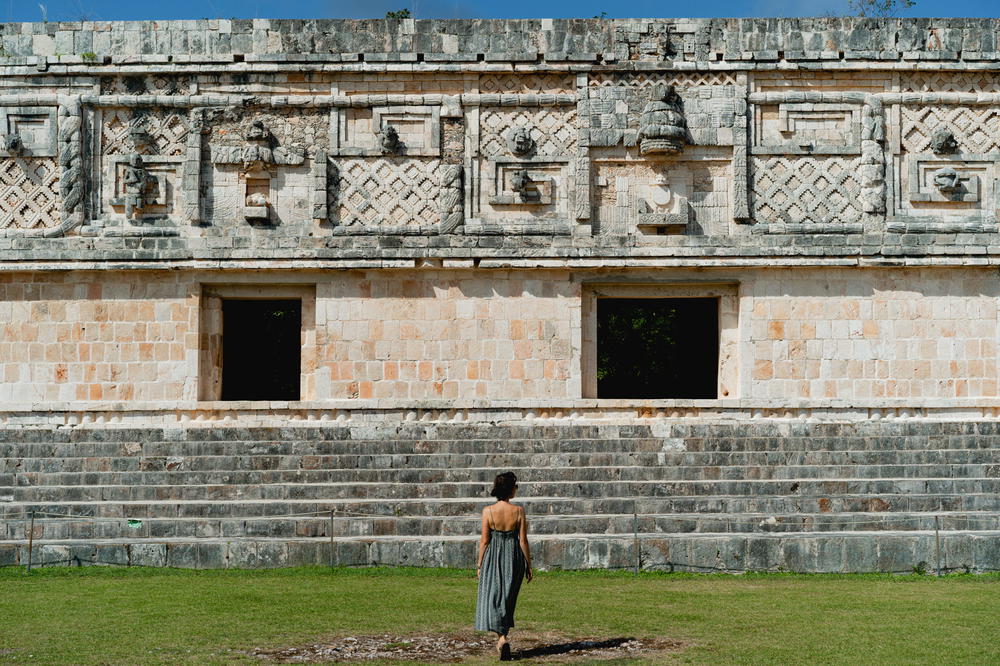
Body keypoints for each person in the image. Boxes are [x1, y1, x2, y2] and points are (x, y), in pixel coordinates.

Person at [475, 471, 532, 661]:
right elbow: (523, 540)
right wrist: (529, 564)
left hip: (494, 555)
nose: (516, 490)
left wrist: (479, 564)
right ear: (510, 489)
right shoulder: (519, 511)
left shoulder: (488, 511)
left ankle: (502, 638)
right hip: (514, 555)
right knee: (508, 597)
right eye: (515, 486)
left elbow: (484, 541)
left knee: (494, 596)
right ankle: (503, 637)